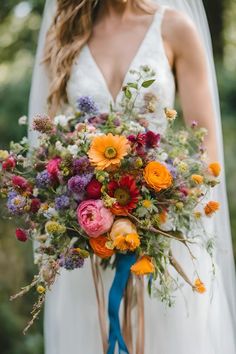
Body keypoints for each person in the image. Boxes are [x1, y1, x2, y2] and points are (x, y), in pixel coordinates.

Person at [28, 0, 236, 353]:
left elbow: (207, 149)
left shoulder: (175, 28)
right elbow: (46, 149)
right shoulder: (65, 34)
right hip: (86, 242)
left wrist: (159, 209)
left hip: (164, 239)